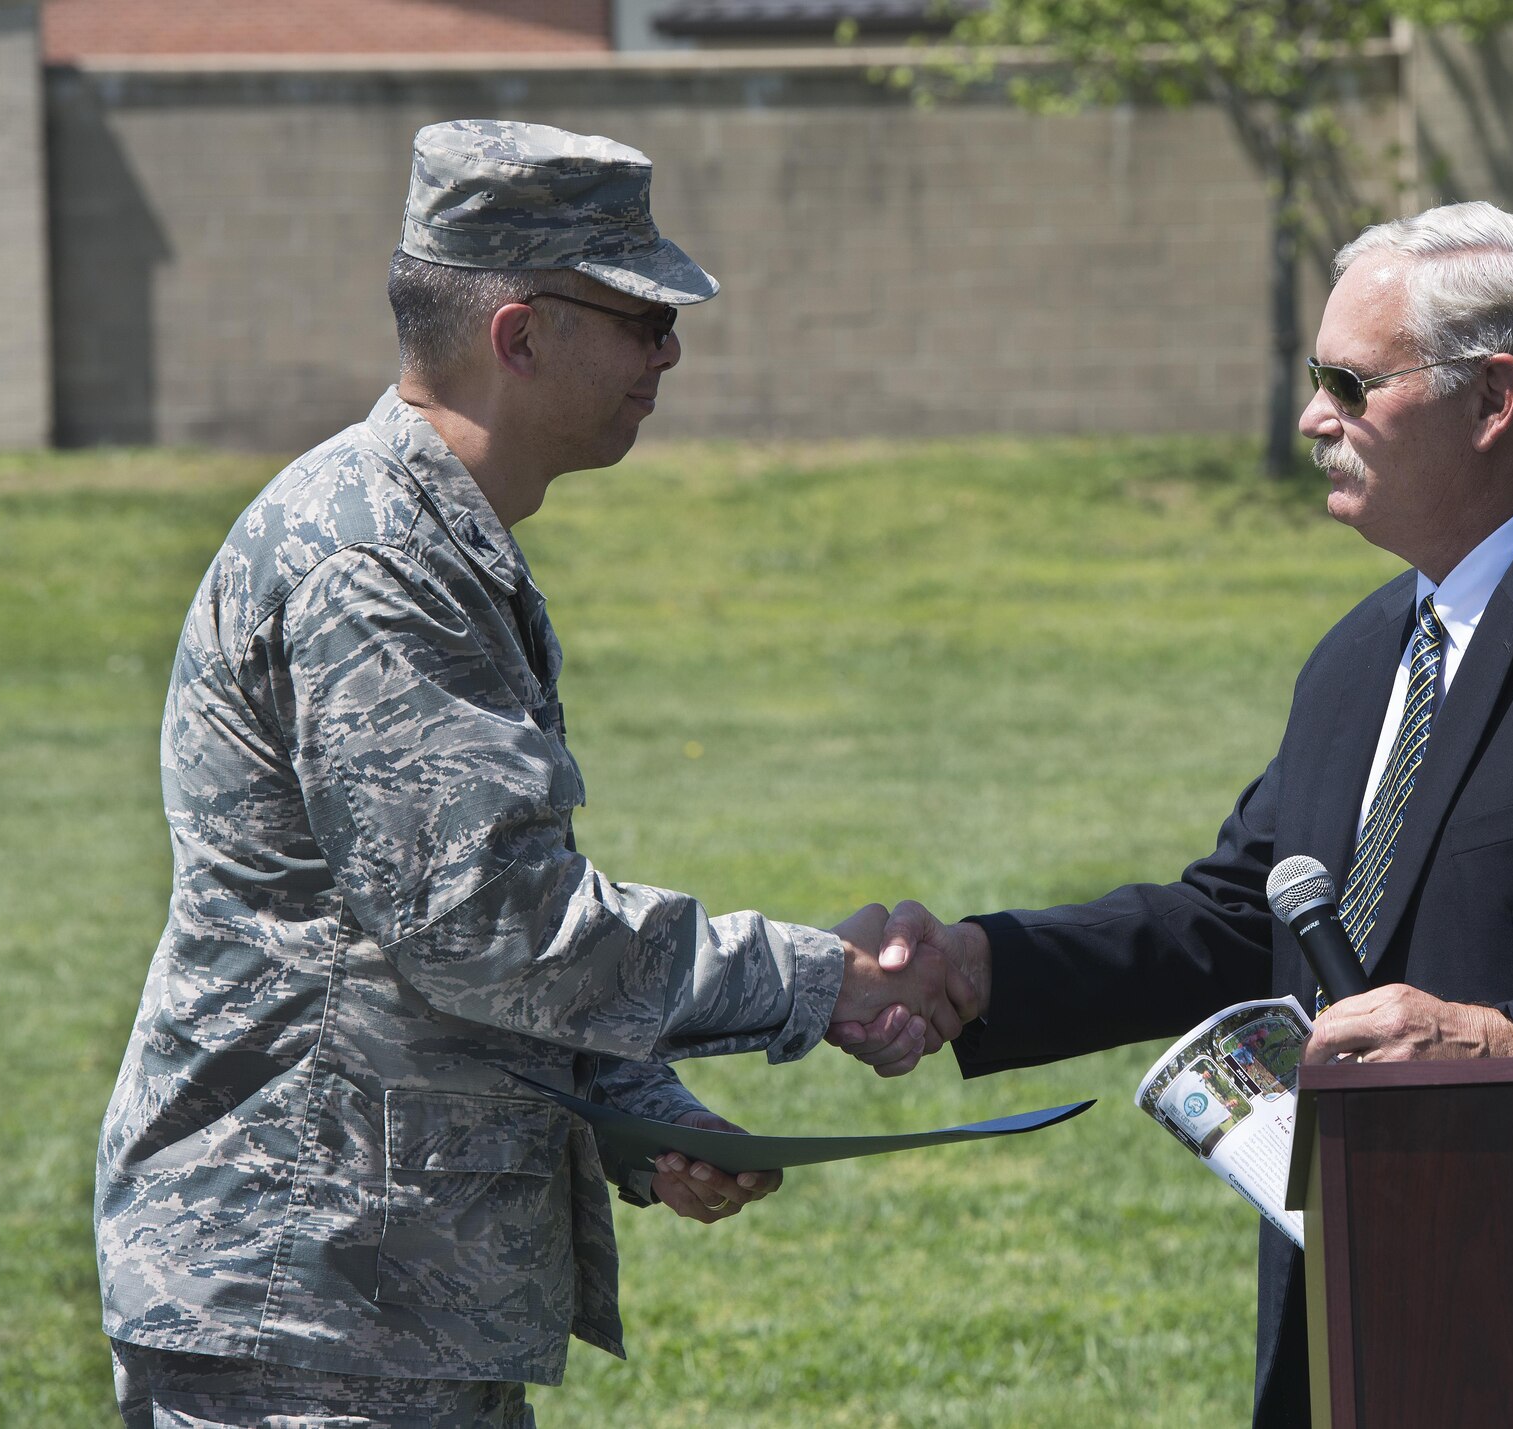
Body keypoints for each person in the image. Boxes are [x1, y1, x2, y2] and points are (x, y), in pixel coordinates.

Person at [829, 201, 1513, 1424]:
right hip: (1349, 1313)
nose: (1313, 417)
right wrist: (979, 963)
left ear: (1491, 399)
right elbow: (1232, 920)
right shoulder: (1365, 649)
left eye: (1348, 381)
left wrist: (1498, 1041)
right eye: (1310, 376)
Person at [95, 120, 967, 1428]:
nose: (669, 350)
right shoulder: (379, 566)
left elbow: (438, 940)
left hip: (373, 1295)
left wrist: (643, 1110)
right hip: (309, 1310)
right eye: (638, 313)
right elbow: (490, 928)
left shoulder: (431, 539)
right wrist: (811, 978)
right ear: (519, 334)